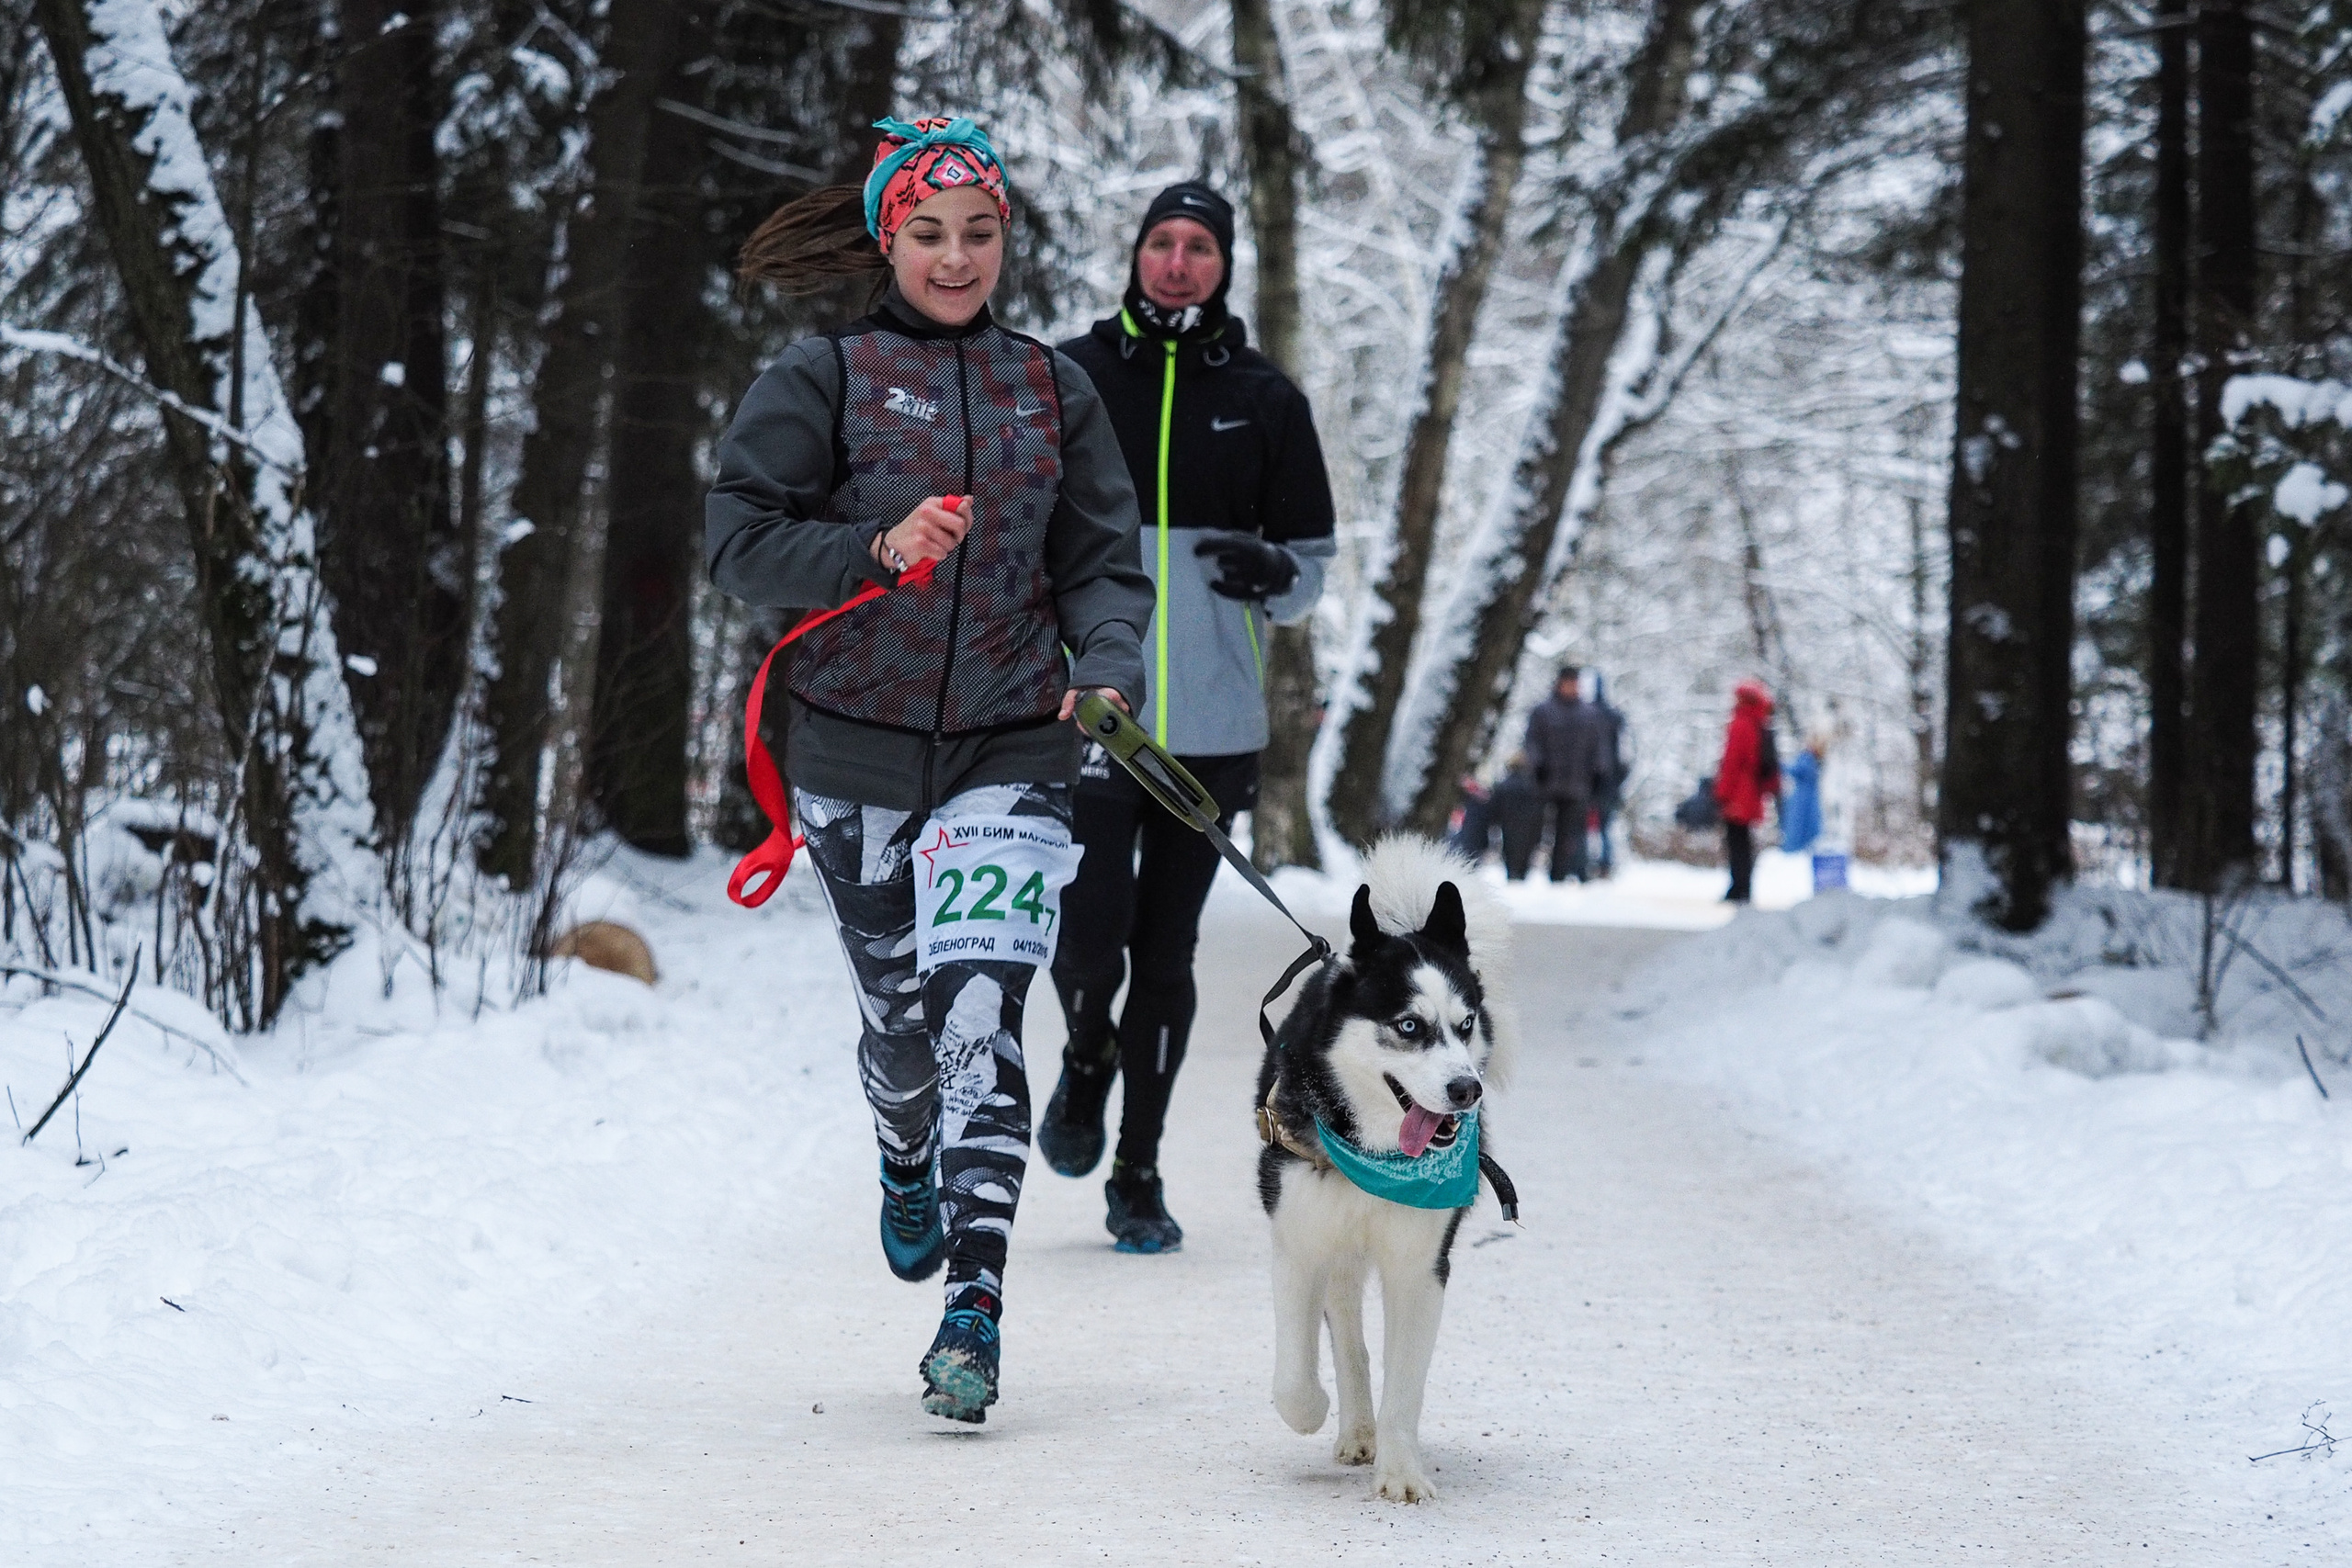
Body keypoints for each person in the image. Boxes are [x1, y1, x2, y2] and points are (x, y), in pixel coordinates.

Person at [704, 116, 1152, 1423]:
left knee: (979, 1015)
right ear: (888, 239)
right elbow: (738, 541)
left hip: (1014, 742)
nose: (957, 258)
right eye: (929, 234)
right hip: (850, 744)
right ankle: (904, 1147)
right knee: (903, 1031)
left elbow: (1100, 562)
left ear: (1005, 236)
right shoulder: (825, 375)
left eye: (980, 232)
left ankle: (977, 1303)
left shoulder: (1051, 388)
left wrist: (1106, 662)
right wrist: (873, 546)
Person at [1036, 179, 1337, 1254]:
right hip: (1088, 709)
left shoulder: (1265, 399)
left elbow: (1308, 574)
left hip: (1211, 724)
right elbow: (1026, 528)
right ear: (1135, 256)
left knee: (1166, 956)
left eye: (1197, 247)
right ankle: (1083, 1057)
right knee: (1089, 941)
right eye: (1160, 242)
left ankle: (1139, 1171)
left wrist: (1269, 570)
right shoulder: (1070, 373)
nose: (1176, 263)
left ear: (1223, 265)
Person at [1522, 665, 1613, 883]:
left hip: (1577, 786)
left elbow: (1599, 748)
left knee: (1568, 836)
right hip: (1545, 784)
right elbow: (1531, 742)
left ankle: (1559, 876)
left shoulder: (1590, 715)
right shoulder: (1543, 712)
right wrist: (1537, 768)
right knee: (1534, 829)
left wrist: (1599, 775)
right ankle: (1523, 872)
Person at [1713, 679, 1781, 903]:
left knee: (1737, 842)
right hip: (1752, 793)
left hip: (1738, 793)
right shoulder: (1759, 723)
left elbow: (1732, 762)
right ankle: (1743, 887)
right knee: (1744, 841)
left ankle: (1738, 888)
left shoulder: (1741, 724)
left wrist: (1722, 792)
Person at [1589, 674, 1629, 878]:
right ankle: (1604, 865)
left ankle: (1587, 864)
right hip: (1610, 784)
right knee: (1605, 826)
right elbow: (1626, 754)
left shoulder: (1586, 716)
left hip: (1589, 783)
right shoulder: (1615, 717)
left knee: (1585, 826)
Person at [1491, 753, 1543, 881]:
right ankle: (1521, 875)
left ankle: (1512, 874)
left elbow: (1495, 808)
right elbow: (1539, 809)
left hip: (1508, 824)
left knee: (1509, 850)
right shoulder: (1535, 786)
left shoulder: (1503, 785)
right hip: (1529, 825)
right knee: (1526, 851)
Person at [1781, 735, 1824, 856]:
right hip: (1806, 798)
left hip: (1802, 800)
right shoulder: (1813, 760)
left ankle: (1795, 851)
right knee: (1803, 827)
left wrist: (1777, 764)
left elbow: (1794, 769)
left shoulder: (1808, 759)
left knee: (1798, 826)